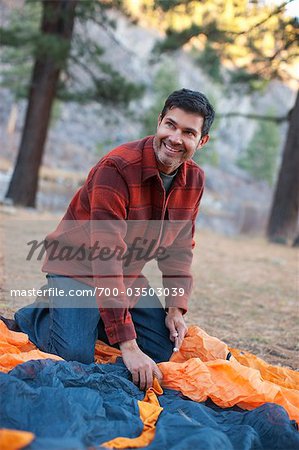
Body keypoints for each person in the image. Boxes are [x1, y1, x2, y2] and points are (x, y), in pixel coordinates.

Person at [15, 88, 215, 390]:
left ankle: (94, 318)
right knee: (74, 356)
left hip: (126, 275)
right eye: (170, 125)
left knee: (162, 351)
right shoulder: (118, 168)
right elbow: (104, 256)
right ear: (159, 121)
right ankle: (39, 315)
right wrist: (129, 346)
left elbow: (179, 249)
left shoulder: (195, 180)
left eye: (188, 132)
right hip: (78, 269)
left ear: (202, 141)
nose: (175, 138)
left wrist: (176, 306)